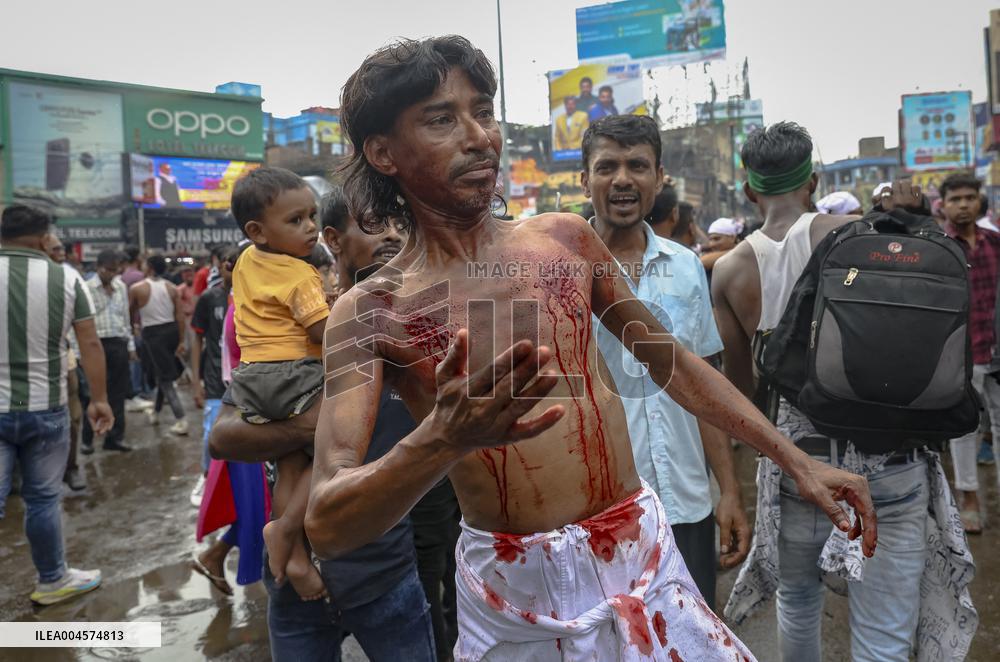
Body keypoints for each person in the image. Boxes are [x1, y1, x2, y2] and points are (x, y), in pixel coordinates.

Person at [305, 36, 875, 661]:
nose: (479, 137)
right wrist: (439, 439)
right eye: (441, 119)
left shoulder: (565, 240)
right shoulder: (371, 313)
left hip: (643, 557)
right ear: (383, 152)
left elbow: (673, 364)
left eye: (484, 112)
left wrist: (795, 461)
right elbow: (328, 524)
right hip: (515, 598)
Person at [713, 122, 974, 661]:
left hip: (797, 467)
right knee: (884, 636)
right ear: (813, 179)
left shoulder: (730, 271)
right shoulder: (858, 235)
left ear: (749, 189)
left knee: (797, 602)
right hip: (888, 464)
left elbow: (742, 389)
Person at [209, 190, 436, 661]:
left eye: (402, 225)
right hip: (293, 585)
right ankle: (287, 539)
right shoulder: (298, 337)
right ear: (333, 239)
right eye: (376, 223)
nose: (394, 235)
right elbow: (223, 436)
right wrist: (318, 425)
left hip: (384, 574)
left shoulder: (422, 329)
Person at [581, 114, 751, 609]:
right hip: (600, 513)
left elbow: (704, 387)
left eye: (637, 166)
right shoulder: (561, 275)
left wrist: (728, 491)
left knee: (692, 635)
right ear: (585, 180)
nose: (622, 179)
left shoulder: (686, 267)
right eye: (607, 167)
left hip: (686, 503)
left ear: (658, 178)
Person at [0, 205, 114, 605]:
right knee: (43, 499)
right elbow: (90, 343)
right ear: (43, 236)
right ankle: (52, 580)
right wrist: (99, 399)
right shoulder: (65, 278)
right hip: (45, 407)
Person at [227, 166, 329, 601]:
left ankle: (293, 554)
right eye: (295, 220)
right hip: (296, 374)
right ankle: (288, 527)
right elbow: (322, 331)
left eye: (312, 216)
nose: (310, 227)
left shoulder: (246, 262)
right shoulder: (300, 274)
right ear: (257, 230)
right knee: (332, 444)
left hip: (253, 377)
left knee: (290, 463)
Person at [941, 173, 1000, 534]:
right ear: (943, 205)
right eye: (955, 199)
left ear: (980, 201)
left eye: (969, 197)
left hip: (997, 349)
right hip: (962, 352)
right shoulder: (941, 247)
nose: (963, 204)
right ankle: (970, 500)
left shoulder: (995, 242)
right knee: (965, 429)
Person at [40, 233, 86, 489]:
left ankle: (71, 467)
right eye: (54, 250)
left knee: (72, 415)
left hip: (63, 357)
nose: (60, 255)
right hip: (21, 362)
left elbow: (84, 327)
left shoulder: (69, 277)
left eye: (61, 250)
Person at [189, 248, 233, 508]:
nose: (232, 268)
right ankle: (206, 475)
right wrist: (196, 382)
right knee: (211, 436)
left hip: (243, 378)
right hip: (215, 377)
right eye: (228, 263)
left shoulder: (253, 297)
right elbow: (197, 339)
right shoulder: (209, 297)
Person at [81, 250, 136, 453]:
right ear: (98, 267)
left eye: (115, 270)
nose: (112, 274)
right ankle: (87, 440)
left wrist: (130, 345)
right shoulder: (86, 288)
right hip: (96, 344)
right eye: (109, 270)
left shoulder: (121, 286)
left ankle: (115, 438)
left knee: (118, 394)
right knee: (92, 392)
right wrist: (79, 354)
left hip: (118, 343)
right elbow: (81, 323)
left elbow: (125, 318)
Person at [129, 254, 188, 435]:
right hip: (171, 331)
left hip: (153, 334)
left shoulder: (137, 288)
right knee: (162, 373)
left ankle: (181, 418)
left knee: (165, 377)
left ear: (150, 268)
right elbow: (180, 316)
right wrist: (181, 340)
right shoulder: (172, 288)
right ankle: (156, 412)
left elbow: (130, 313)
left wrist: (133, 329)